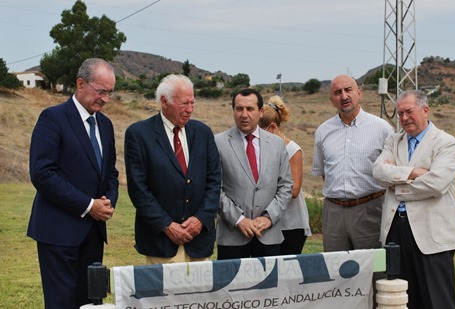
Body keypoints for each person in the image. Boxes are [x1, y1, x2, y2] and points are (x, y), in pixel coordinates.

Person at [27, 58, 119, 309]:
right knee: (62, 303)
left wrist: (108, 201)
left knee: (90, 302)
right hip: (58, 233)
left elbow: (111, 172)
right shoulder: (53, 118)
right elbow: (42, 173)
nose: (105, 99)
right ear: (80, 84)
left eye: (109, 93)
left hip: (93, 232)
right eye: (101, 91)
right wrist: (89, 205)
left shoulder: (106, 125)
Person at [373, 90, 455, 309]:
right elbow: (378, 171)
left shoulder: (446, 143)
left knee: (437, 300)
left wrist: (396, 184)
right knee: (401, 298)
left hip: (432, 234)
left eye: (409, 111)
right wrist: (414, 172)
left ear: (425, 110)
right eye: (400, 114)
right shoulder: (393, 141)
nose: (404, 118)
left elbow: (436, 184)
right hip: (396, 229)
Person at [124, 74, 221, 264]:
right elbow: (139, 189)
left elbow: (214, 180)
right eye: (184, 103)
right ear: (164, 101)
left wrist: (200, 219)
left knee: (201, 294)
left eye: (192, 103)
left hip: (199, 241)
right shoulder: (139, 134)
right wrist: (167, 226)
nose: (189, 110)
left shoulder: (203, 133)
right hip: (161, 242)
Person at [311, 74, 394, 252]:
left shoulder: (382, 129)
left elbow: (392, 171)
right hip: (334, 213)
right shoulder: (323, 131)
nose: (344, 96)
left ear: (359, 93)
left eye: (348, 90)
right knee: (336, 271)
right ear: (332, 100)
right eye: (337, 92)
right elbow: (325, 172)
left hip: (370, 210)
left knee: (374, 270)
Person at [215, 88, 293, 259]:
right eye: (239, 109)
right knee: (231, 286)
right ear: (233, 111)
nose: (244, 114)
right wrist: (239, 220)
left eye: (250, 109)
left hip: (269, 235)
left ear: (261, 112)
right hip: (232, 237)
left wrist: (269, 217)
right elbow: (214, 188)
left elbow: (286, 186)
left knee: (270, 286)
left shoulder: (277, 144)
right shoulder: (218, 143)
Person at [258, 95, 312, 255]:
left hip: (291, 223)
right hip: (268, 221)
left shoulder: (293, 150)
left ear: (273, 128)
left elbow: (294, 190)